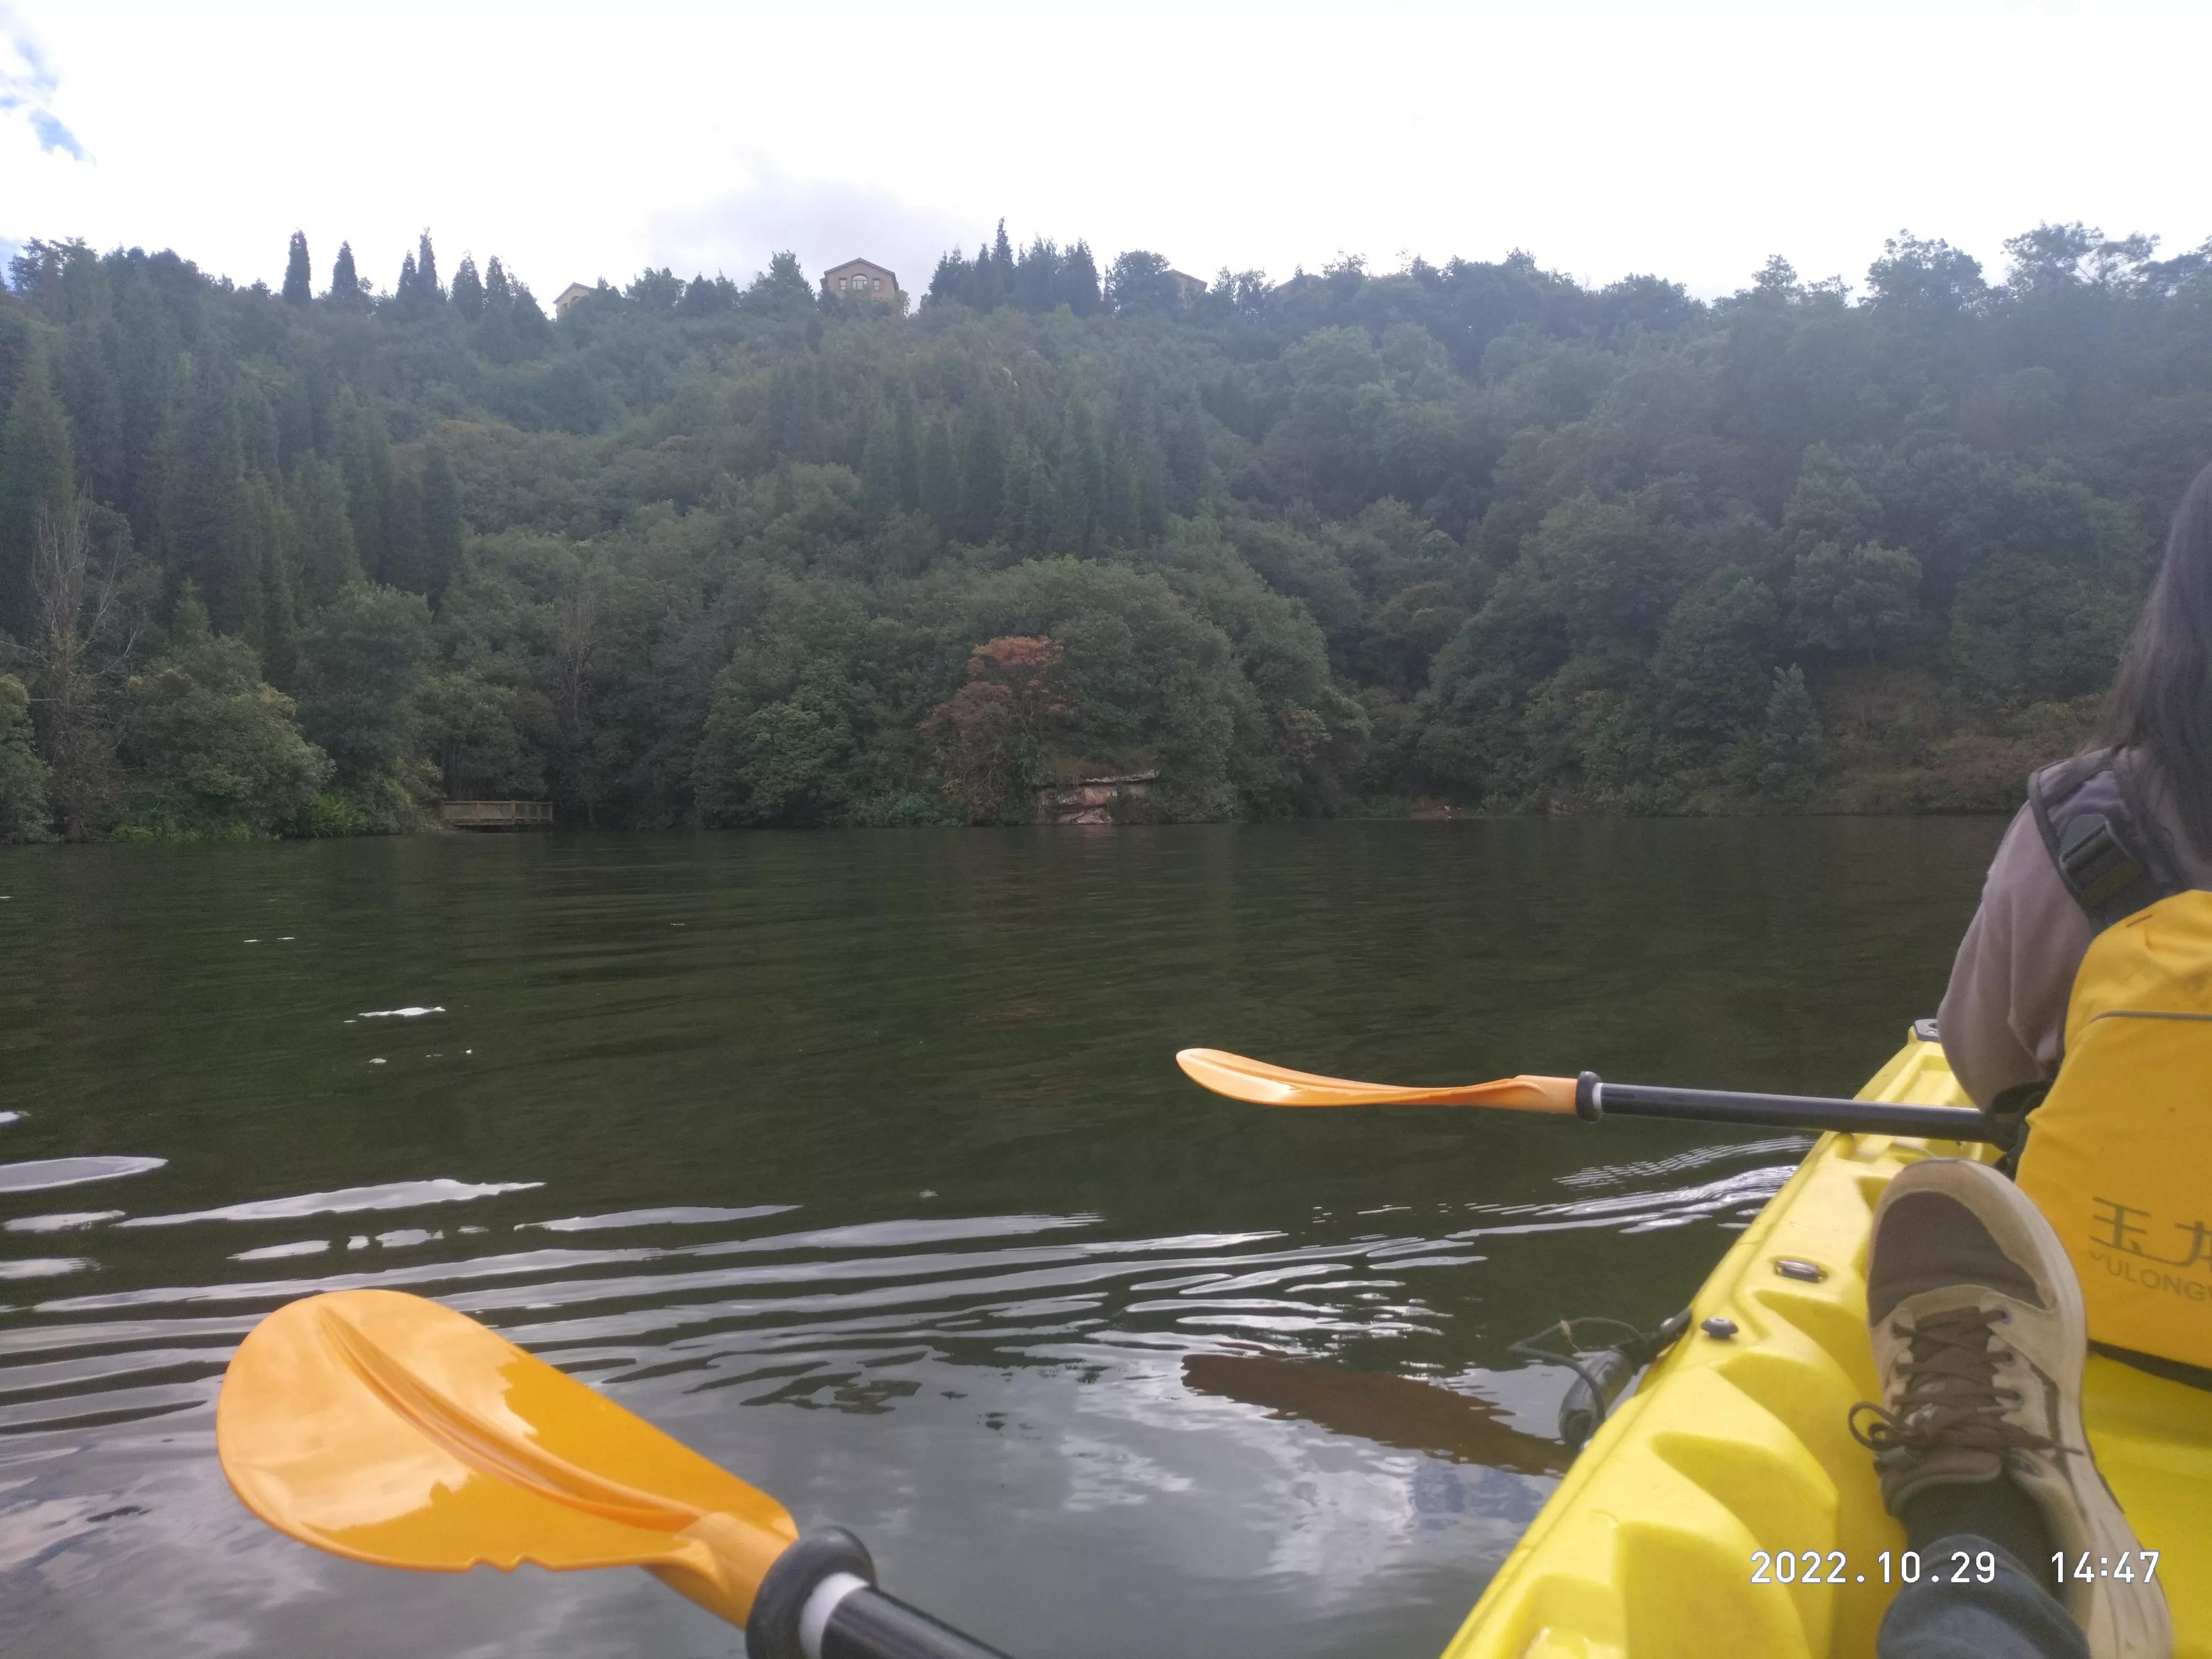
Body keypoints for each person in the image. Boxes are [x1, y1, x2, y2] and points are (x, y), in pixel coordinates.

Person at [1849, 457, 2212, 1659]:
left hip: (2122, 1320)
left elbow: (1981, 1060)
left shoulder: (2093, 822)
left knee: (1967, 1564)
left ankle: (1988, 1527)